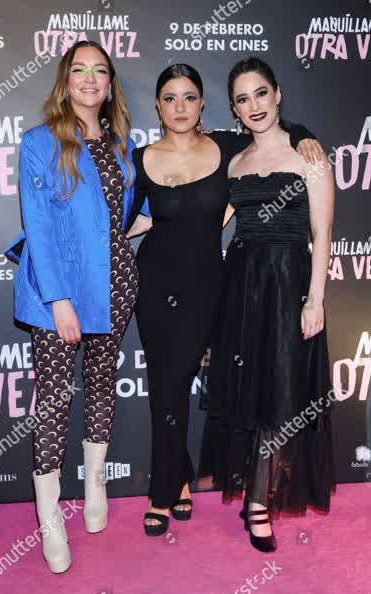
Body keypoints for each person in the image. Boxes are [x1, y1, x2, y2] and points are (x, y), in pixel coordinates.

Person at [126, 63, 322, 537]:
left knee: (181, 381)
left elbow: (271, 129)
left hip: (210, 284)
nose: (180, 107)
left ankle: (175, 478)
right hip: (154, 282)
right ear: (157, 106)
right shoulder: (139, 157)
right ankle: (169, 484)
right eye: (170, 98)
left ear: (203, 104)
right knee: (165, 385)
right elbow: (133, 220)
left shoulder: (228, 147)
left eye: (189, 97)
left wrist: (305, 135)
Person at [5, 40, 148, 573]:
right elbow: (39, 226)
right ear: (66, 82)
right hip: (58, 292)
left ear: (109, 84)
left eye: (100, 70)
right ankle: (49, 519)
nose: (90, 78)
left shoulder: (122, 146)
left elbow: (123, 213)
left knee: (103, 384)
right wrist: (59, 300)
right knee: (54, 401)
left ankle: (94, 488)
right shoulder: (39, 142)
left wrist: (145, 224)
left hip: (115, 283)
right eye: (80, 69)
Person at [200, 56, 335, 553]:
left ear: (277, 94)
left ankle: (259, 500)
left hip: (288, 286)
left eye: (260, 93)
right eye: (242, 98)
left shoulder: (309, 155)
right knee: (249, 393)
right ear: (234, 109)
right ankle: (254, 493)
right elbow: (208, 223)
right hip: (241, 288)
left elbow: (323, 233)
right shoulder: (233, 161)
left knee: (281, 393)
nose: (253, 105)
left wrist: (315, 299)